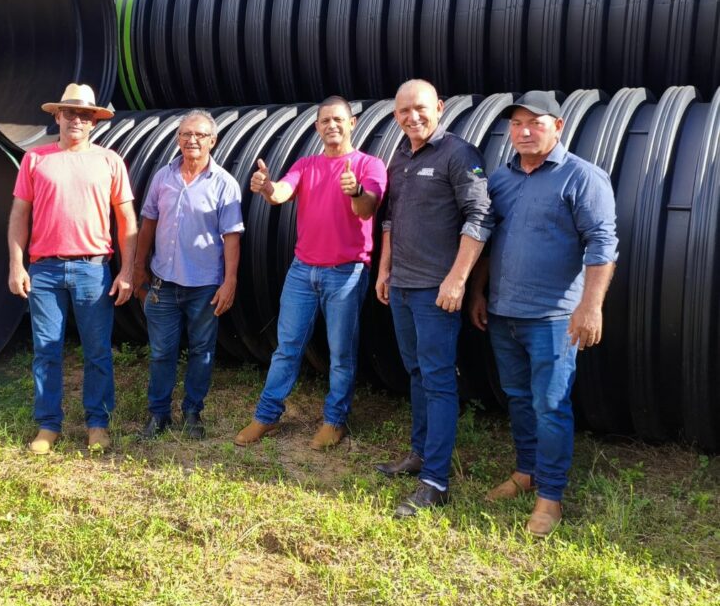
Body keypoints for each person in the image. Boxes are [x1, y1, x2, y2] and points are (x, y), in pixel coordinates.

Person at [468, 91, 618, 536]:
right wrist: (478, 293)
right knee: (517, 397)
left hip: (554, 318)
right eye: (516, 124)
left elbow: (602, 245)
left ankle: (550, 497)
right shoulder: (501, 179)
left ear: (559, 126)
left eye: (535, 122)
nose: (525, 131)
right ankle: (525, 471)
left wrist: (591, 307)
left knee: (550, 406)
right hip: (503, 313)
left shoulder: (582, 177)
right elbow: (490, 242)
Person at [235, 96, 387, 450]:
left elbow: (368, 209)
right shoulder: (307, 164)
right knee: (287, 348)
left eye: (338, 119)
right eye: (324, 121)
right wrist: (268, 187)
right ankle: (266, 416)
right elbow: (282, 192)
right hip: (302, 271)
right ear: (317, 127)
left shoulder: (370, 165)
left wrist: (356, 191)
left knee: (341, 352)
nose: (331, 126)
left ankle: (335, 421)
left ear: (352, 123)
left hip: (346, 273)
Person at [374, 80, 493, 517]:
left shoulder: (459, 154)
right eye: (403, 111)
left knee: (439, 381)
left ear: (439, 107)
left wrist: (458, 280)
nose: (412, 117)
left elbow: (480, 217)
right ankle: (419, 454)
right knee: (417, 372)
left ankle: (436, 482)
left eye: (420, 108)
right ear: (395, 116)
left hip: (436, 292)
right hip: (402, 286)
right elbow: (389, 220)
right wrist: (385, 271)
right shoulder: (400, 156)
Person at [8, 83, 137, 455]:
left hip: (93, 270)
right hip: (45, 271)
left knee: (97, 351)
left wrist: (127, 269)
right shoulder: (36, 160)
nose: (76, 119)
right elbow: (19, 214)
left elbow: (126, 219)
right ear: (57, 116)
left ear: (94, 121)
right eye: (70, 113)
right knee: (47, 351)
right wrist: (17, 264)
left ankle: (97, 424)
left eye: (84, 114)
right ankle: (48, 426)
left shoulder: (110, 161)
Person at [133, 110, 244, 440]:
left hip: (204, 286)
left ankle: (193, 412)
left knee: (202, 350)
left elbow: (232, 237)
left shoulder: (224, 184)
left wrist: (230, 282)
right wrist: (138, 267)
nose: (191, 140)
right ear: (178, 139)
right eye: (184, 134)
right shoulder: (163, 178)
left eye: (198, 135)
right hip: (162, 282)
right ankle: (159, 415)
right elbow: (148, 222)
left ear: (213, 140)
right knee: (161, 351)